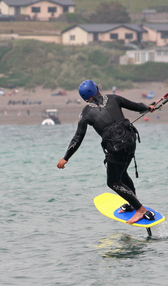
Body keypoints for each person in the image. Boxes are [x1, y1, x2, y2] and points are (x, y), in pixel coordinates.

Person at [57, 80, 155, 224]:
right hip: (131, 142)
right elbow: (136, 106)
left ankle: (140, 210)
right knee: (122, 173)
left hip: (116, 149)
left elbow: (78, 138)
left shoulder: (86, 113)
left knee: (113, 182)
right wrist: (148, 107)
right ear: (96, 89)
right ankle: (132, 203)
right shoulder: (114, 98)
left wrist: (66, 158)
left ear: (84, 97)